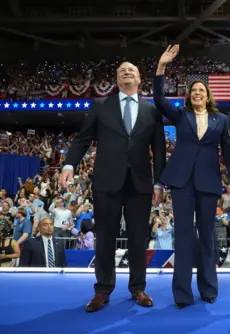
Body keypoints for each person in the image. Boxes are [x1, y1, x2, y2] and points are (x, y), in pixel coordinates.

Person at [60, 61, 166, 313]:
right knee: (105, 237)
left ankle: (138, 288)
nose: (127, 73)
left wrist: (160, 182)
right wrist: (69, 165)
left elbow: (159, 150)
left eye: (132, 71)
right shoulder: (100, 106)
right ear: (117, 81)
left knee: (138, 238)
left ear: (140, 80)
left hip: (140, 183)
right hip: (107, 182)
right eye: (121, 71)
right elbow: (83, 138)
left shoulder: (151, 111)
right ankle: (102, 290)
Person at [154, 45, 230, 308]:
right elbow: (159, 100)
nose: (197, 94)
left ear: (208, 95)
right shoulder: (181, 116)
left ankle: (209, 288)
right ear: (189, 97)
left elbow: (227, 152)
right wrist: (161, 67)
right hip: (181, 182)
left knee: (207, 237)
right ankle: (182, 294)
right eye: (193, 91)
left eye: (201, 91)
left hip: (208, 183)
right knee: (182, 236)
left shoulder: (221, 120)